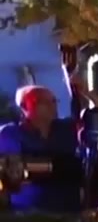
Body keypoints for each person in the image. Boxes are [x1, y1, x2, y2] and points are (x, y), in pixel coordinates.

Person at [0, 85, 84, 213]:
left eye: (54, 101)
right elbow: (10, 174)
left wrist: (87, 93)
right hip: (27, 213)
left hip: (69, 211)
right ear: (25, 106)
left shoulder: (67, 128)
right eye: (43, 102)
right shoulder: (10, 133)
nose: (52, 106)